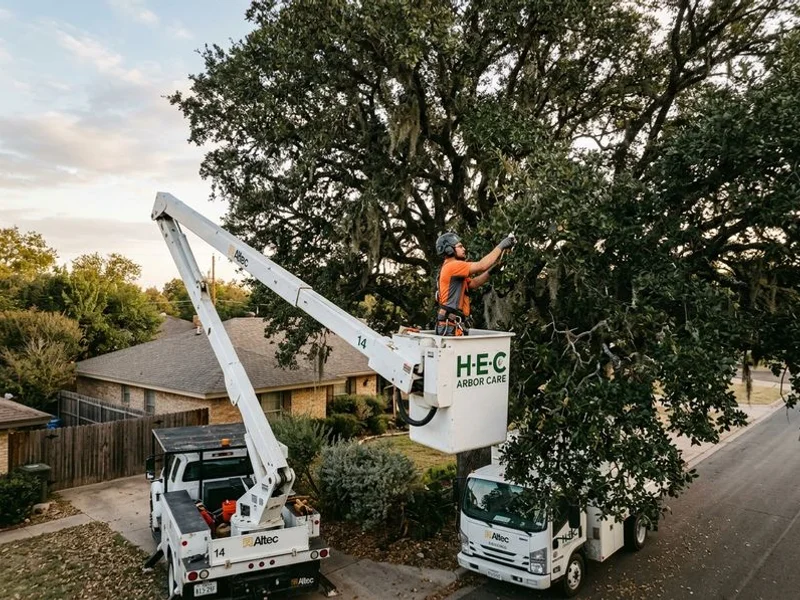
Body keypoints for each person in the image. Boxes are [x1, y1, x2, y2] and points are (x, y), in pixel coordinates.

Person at [434, 231, 516, 335]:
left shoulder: (452, 268)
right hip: (449, 326)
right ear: (449, 250)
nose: (464, 249)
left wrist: (492, 270)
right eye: (460, 246)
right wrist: (502, 245)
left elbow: (473, 283)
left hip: (451, 325)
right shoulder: (453, 266)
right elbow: (482, 265)